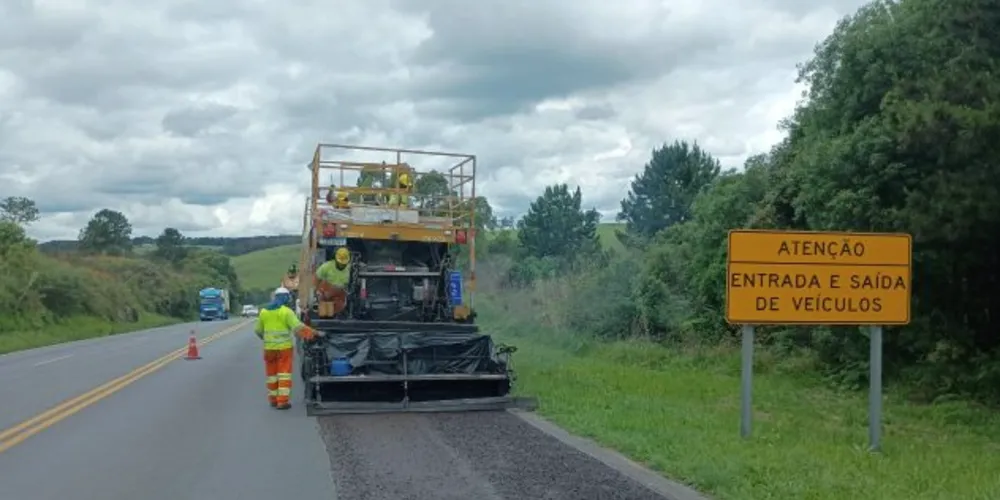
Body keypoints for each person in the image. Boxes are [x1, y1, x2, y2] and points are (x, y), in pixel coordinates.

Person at [253, 286, 317, 410]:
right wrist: (314, 333)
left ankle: (273, 400)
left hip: (269, 349)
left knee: (271, 375)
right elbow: (298, 328)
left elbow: (258, 330)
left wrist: (266, 339)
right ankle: (282, 402)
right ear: (285, 298)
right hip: (284, 349)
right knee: (284, 375)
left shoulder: (264, 312)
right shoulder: (286, 312)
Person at [314, 246, 351, 317]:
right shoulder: (326, 267)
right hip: (326, 292)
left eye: (343, 263)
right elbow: (316, 279)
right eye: (340, 262)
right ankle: (325, 315)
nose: (342, 265)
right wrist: (316, 292)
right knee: (325, 313)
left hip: (340, 294)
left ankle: (338, 314)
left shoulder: (350, 269)